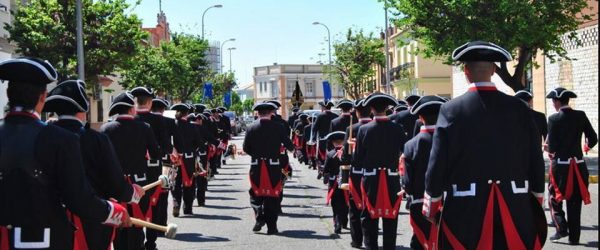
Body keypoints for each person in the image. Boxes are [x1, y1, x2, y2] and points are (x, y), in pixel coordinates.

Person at [423, 41, 546, 249]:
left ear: (465, 71)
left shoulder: (451, 110)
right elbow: (535, 156)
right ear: (495, 70)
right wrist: (536, 197)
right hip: (515, 203)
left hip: (465, 207)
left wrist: (432, 203)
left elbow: (438, 162)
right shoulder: (519, 107)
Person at [0, 57, 129, 250]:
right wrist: (113, 211)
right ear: (42, 97)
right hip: (45, 241)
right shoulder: (60, 139)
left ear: (9, 94)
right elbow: (79, 199)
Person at [43, 80, 143, 250]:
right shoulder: (95, 139)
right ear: (83, 109)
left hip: (49, 221)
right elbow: (115, 184)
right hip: (92, 219)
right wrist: (133, 194)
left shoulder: (43, 136)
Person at [100, 92, 161, 250]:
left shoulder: (105, 128)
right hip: (139, 184)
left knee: (118, 226)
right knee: (136, 227)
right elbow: (155, 154)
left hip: (114, 184)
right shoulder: (144, 127)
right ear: (131, 109)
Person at [545, 87, 597, 245]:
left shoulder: (554, 119)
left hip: (561, 167)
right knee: (575, 201)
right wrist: (586, 147)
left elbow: (552, 147)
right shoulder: (580, 115)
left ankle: (561, 228)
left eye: (553, 101)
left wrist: (547, 148)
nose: (553, 104)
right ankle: (574, 238)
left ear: (557, 101)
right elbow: (593, 138)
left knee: (554, 198)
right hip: (579, 165)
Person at [354, 93, 406, 250]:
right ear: (387, 108)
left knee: (369, 215)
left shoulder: (363, 129)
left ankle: (371, 247)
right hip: (392, 176)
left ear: (371, 109)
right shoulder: (397, 128)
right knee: (391, 215)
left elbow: (357, 158)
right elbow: (404, 152)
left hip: (370, 177)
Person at [400, 95, 446, 250]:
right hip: (448, 203)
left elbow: (407, 182)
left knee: (420, 241)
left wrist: (407, 191)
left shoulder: (410, 145)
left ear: (420, 117)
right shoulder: (451, 140)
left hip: (420, 201)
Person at [243, 102, 294, 234]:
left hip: (256, 165)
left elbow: (245, 148)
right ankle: (272, 227)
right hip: (273, 165)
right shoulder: (278, 126)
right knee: (273, 195)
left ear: (258, 113)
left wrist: (256, 155)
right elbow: (289, 145)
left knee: (255, 192)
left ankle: (259, 214)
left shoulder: (250, 127)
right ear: (271, 113)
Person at [130, 87, 169, 250]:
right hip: (153, 170)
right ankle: (151, 242)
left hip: (134, 171)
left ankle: (136, 241)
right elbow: (166, 147)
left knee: (135, 204)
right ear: (150, 102)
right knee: (153, 205)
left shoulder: (130, 119)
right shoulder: (160, 121)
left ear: (135, 102)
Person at [340, 98, 372, 249]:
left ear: (357, 112)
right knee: (370, 207)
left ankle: (357, 240)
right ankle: (370, 239)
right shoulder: (375, 126)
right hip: (374, 173)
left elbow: (346, 155)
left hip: (357, 173)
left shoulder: (352, 129)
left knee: (354, 208)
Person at [170, 103, 202, 216]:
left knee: (175, 182)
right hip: (188, 158)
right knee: (189, 183)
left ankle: (176, 202)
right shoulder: (192, 126)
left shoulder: (172, 125)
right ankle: (188, 208)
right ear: (187, 114)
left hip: (175, 158)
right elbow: (199, 143)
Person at [322, 131, 350, 234]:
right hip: (346, 181)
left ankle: (337, 223)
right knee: (346, 202)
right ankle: (344, 221)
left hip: (334, 182)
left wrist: (325, 176)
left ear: (333, 143)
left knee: (336, 204)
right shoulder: (349, 153)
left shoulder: (330, 154)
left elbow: (326, 169)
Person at [311, 100, 339, 179]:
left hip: (322, 140)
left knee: (319, 157)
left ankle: (321, 169)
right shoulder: (336, 116)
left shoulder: (320, 116)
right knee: (333, 156)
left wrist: (313, 139)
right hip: (334, 141)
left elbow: (315, 128)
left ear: (323, 108)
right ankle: (330, 171)